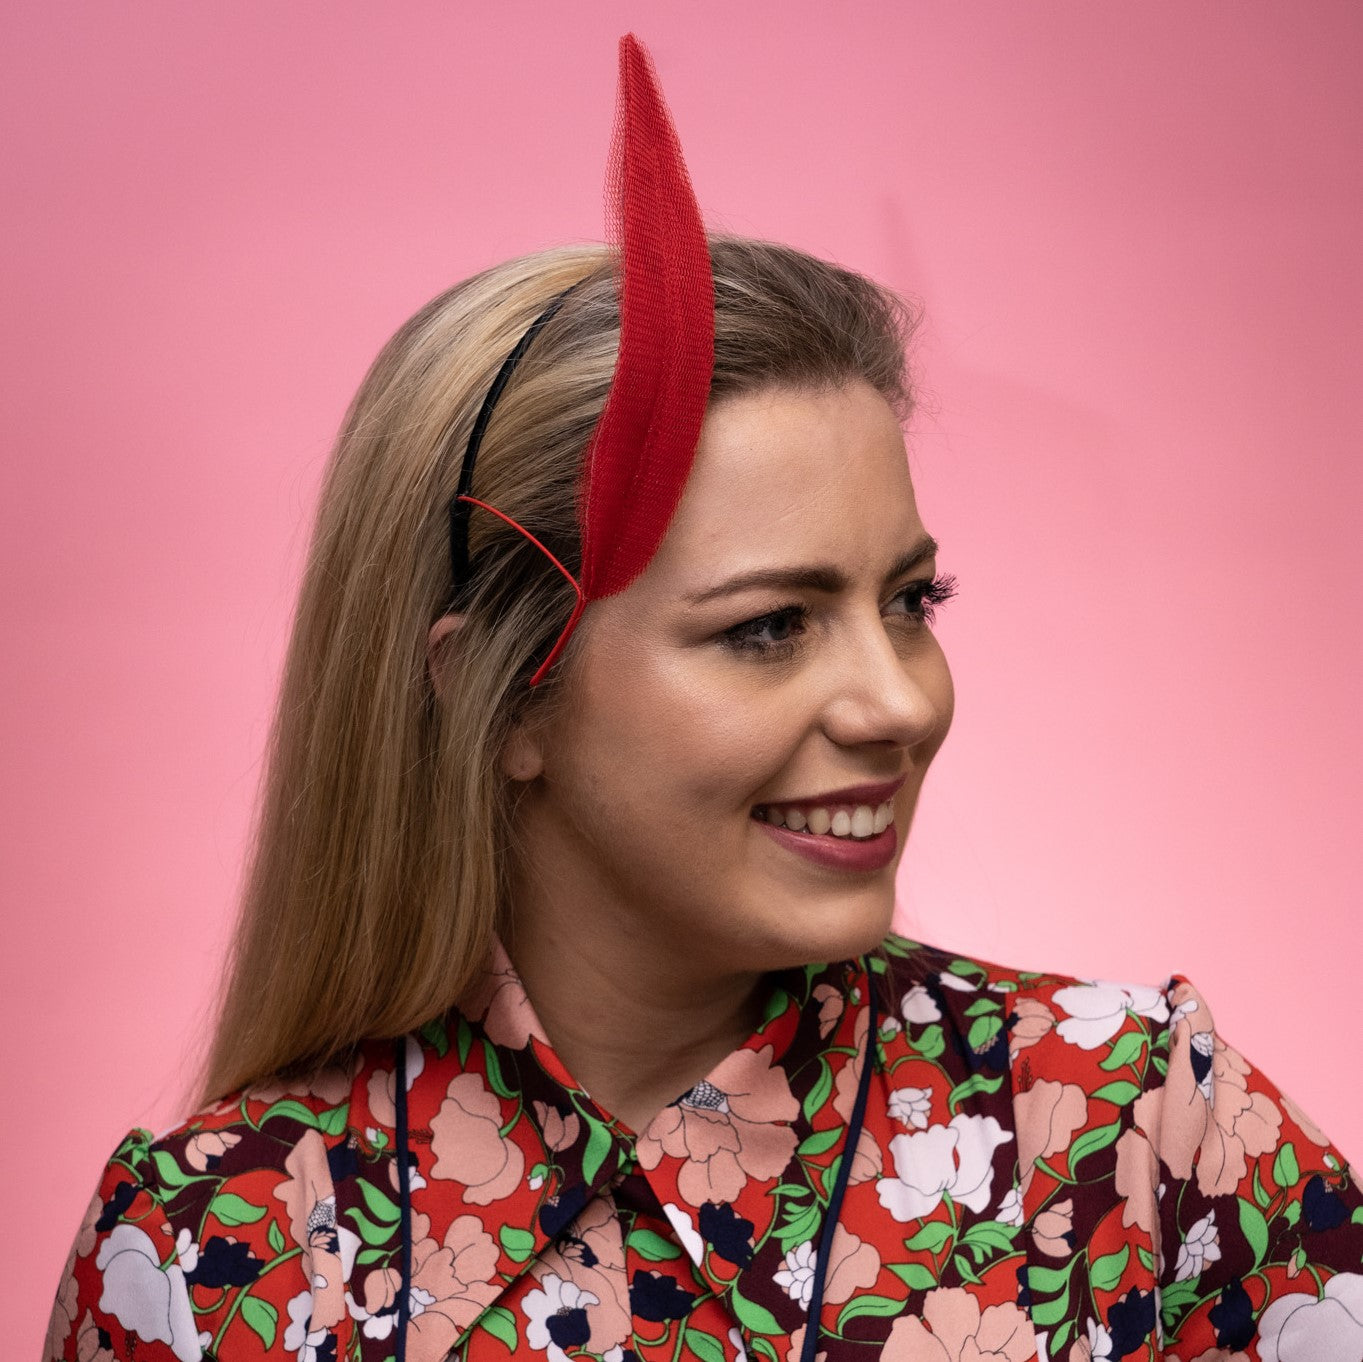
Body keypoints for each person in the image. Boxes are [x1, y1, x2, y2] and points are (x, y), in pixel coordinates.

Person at [45, 34, 1363, 1362]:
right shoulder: (214, 1256)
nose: (897, 700)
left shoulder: (1138, 1142)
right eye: (769, 626)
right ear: (499, 700)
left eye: (912, 601)